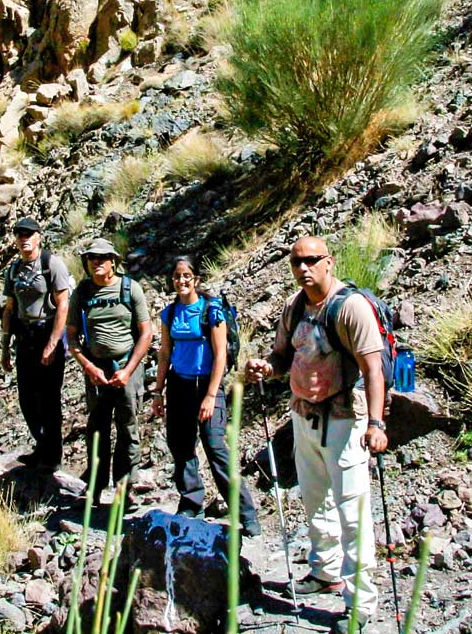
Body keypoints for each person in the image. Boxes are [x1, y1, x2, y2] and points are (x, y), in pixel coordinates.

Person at [246, 236, 389, 634]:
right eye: (296, 262)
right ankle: (325, 571)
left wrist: (376, 425)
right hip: (303, 416)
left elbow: (373, 369)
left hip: (345, 419)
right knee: (314, 500)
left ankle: (360, 603)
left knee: (352, 509)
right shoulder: (295, 307)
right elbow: (283, 357)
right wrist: (267, 368)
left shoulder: (350, 307)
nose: (303, 269)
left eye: (311, 260)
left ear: (329, 262)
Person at [152, 256, 261, 537]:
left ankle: (246, 514)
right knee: (180, 445)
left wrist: (212, 395)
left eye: (186, 275)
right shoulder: (169, 313)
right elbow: (164, 353)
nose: (181, 281)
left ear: (196, 279)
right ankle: (191, 502)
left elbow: (221, 355)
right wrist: (158, 392)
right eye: (177, 276)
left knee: (215, 449)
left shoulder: (211, 311)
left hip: (206, 386)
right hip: (179, 385)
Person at [66, 237, 152, 506]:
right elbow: (71, 338)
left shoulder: (130, 289)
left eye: (102, 258)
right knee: (97, 428)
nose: (96, 263)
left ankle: (125, 487)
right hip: (97, 371)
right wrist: (89, 367)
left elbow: (146, 333)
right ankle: (95, 485)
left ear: (114, 261)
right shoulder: (81, 293)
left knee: (128, 426)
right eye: (92, 258)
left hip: (127, 366)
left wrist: (128, 370)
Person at [0, 217, 72, 472]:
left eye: (29, 234)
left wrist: (53, 344)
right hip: (25, 337)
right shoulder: (14, 270)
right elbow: (9, 309)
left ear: (39, 237)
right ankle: (41, 444)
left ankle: (52, 455)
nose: (24, 239)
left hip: (47, 332)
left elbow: (63, 305)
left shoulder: (51, 264)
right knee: (27, 398)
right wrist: (5, 346)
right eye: (20, 234)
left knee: (49, 397)